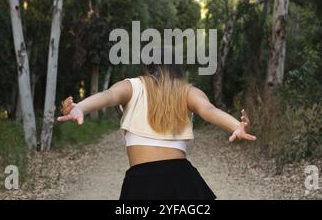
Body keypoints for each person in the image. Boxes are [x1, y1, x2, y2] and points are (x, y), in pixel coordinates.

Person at [58, 59, 256, 200]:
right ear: (176, 69)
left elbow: (108, 95)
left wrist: (80, 107)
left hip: (140, 182)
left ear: (145, 68)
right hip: (182, 179)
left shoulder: (132, 86)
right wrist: (235, 125)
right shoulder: (186, 90)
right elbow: (208, 110)